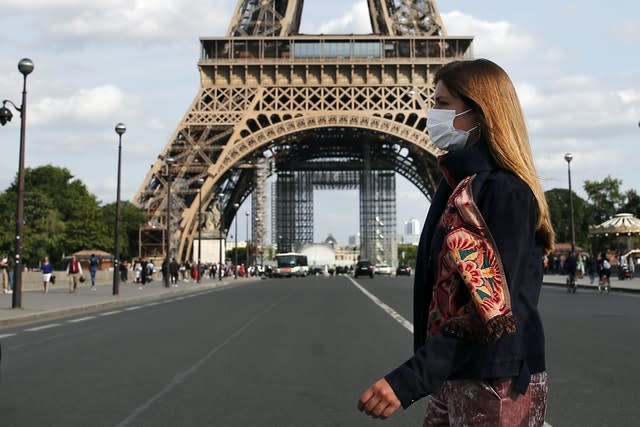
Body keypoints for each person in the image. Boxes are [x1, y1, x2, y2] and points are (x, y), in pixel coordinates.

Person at [357, 59, 555, 426]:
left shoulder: (501, 192)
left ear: (478, 113)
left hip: (495, 378)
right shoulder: (458, 186)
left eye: (442, 104)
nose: (432, 113)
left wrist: (408, 380)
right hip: (460, 374)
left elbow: (491, 308)